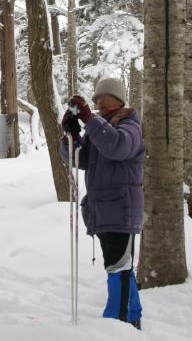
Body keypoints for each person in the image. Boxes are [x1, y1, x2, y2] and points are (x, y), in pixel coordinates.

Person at [60, 78, 143, 329]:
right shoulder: (101, 127)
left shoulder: (129, 126)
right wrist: (71, 135)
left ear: (118, 99)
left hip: (121, 210)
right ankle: (132, 319)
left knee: (118, 270)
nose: (98, 101)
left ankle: (116, 326)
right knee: (120, 268)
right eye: (95, 99)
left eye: (103, 97)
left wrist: (89, 119)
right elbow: (79, 158)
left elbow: (116, 146)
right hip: (103, 209)